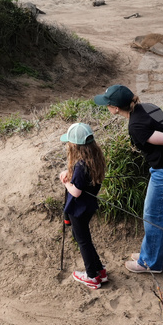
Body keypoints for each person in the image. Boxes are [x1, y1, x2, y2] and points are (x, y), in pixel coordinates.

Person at [93, 84, 163, 274]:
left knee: (154, 216)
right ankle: (154, 255)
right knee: (162, 215)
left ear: (116, 108)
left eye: (108, 104)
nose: (106, 107)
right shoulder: (148, 107)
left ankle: (149, 263)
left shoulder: (136, 126)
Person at [58, 123, 107, 290]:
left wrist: (65, 182)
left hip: (78, 209)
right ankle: (100, 270)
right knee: (85, 239)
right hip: (89, 206)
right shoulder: (95, 158)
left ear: (74, 146)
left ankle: (92, 276)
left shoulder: (80, 166)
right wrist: (69, 173)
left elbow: (76, 191)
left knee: (83, 242)